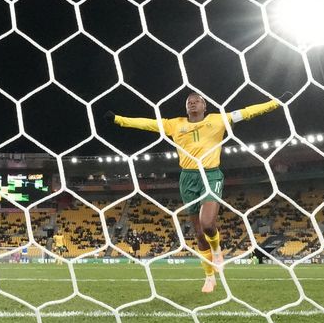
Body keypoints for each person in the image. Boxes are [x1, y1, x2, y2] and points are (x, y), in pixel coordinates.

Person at [105, 90, 290, 293]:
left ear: (204, 106)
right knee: (199, 233)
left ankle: (218, 251)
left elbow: (246, 112)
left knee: (207, 223)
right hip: (187, 178)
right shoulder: (174, 124)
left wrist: (275, 103)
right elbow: (147, 123)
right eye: (189, 102)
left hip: (210, 175)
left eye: (197, 101)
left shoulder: (218, 120)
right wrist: (118, 120)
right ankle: (209, 277)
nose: (192, 104)